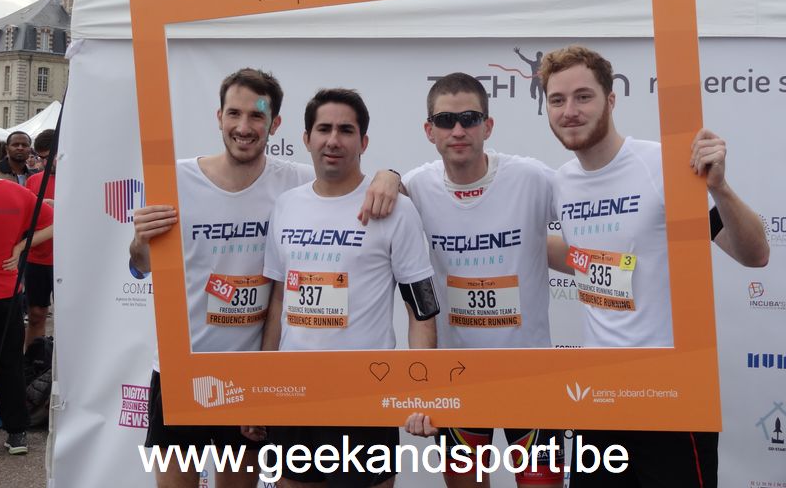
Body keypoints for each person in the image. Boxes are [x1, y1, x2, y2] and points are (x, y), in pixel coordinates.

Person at [130, 70, 400, 488]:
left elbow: (357, 185)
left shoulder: (295, 181)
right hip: (182, 367)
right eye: (234, 113)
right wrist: (140, 241)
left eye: (257, 116)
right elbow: (141, 265)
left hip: (250, 376)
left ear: (274, 124)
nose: (244, 127)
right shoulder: (175, 180)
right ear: (219, 117)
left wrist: (390, 175)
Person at [539, 44, 769, 487]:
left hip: (670, 391)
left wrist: (720, 189)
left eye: (583, 96)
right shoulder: (562, 182)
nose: (569, 111)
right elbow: (587, 257)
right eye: (557, 100)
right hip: (597, 395)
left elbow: (754, 253)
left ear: (610, 99)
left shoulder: (662, 165)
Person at [261, 88, 439, 488]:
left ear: (364, 142)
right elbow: (278, 302)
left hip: (365, 396)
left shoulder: (394, 209)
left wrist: (422, 391)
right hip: (294, 394)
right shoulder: (286, 206)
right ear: (306, 139)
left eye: (346, 130)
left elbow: (421, 309)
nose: (333, 140)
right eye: (323, 129)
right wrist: (263, 389)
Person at [400, 72, 564, 488]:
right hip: (458, 377)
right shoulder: (415, 187)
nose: (458, 130)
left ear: (487, 126)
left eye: (470, 119)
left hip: (530, 376)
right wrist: (386, 174)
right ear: (429, 131)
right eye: (445, 121)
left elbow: (594, 218)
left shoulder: (531, 178)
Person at [0, 137, 53, 455]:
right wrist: (21, 246)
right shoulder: (18, 193)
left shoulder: (18, 191)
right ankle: (17, 433)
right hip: (7, 292)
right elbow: (53, 222)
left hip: (5, 289)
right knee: (9, 363)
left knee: (8, 361)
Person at [24, 129, 57, 349]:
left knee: (72, 317)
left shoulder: (81, 179)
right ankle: (32, 360)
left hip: (69, 258)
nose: (45, 162)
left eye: (49, 157)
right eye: (41, 157)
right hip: (38, 257)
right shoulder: (34, 180)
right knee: (36, 314)